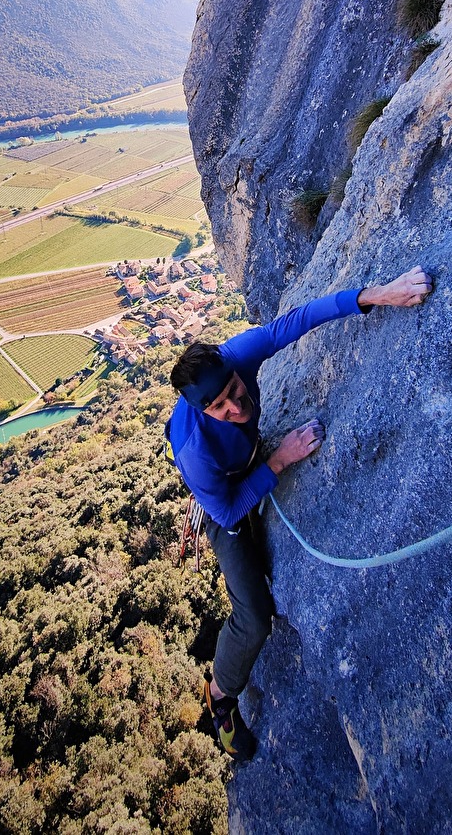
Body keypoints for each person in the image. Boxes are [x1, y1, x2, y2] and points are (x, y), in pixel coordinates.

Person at [167, 265, 433, 760]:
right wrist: (279, 460)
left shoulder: (236, 357)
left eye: (235, 392)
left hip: (246, 465)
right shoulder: (195, 451)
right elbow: (228, 511)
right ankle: (221, 696)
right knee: (254, 616)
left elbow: (299, 320)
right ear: (203, 412)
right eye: (221, 407)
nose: (236, 407)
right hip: (224, 500)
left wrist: (380, 294)